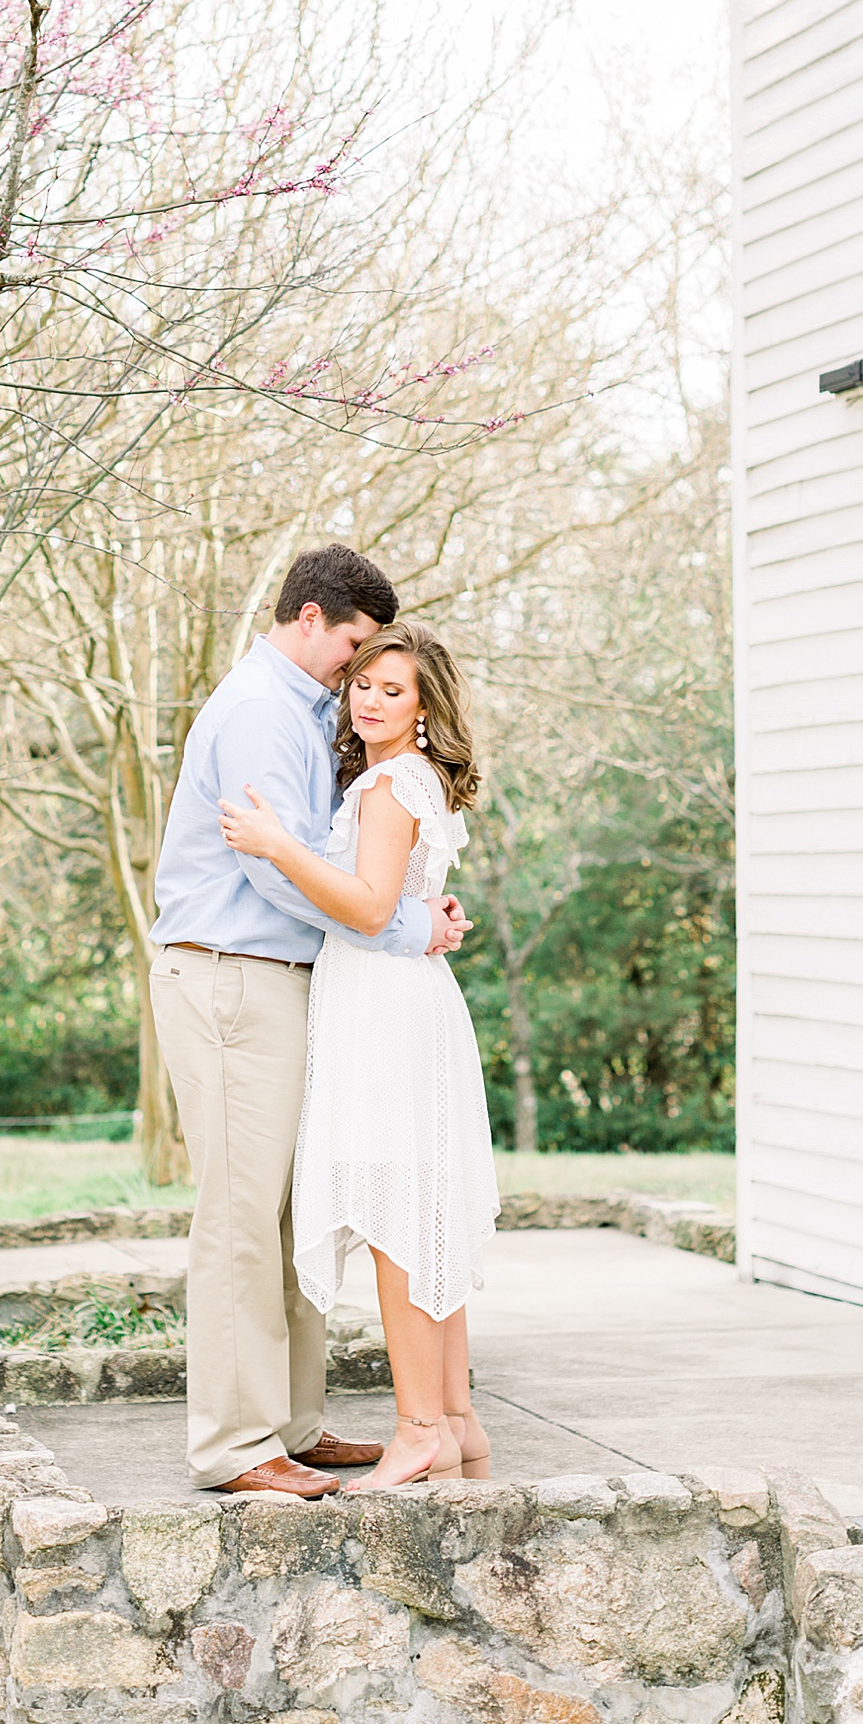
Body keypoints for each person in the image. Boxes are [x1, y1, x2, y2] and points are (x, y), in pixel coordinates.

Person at [149, 546, 468, 1499]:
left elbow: (345, 857)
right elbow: (267, 868)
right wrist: (402, 922)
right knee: (242, 1214)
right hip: (230, 976)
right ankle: (237, 1446)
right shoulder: (257, 712)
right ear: (312, 618)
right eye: (355, 650)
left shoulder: (303, 713)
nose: (356, 676)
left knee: (292, 1207)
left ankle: (289, 1423)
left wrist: (404, 907)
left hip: (289, 981)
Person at [219, 619, 498, 1489]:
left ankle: (416, 1430)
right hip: (405, 1003)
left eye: (393, 690)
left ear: (424, 711)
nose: (370, 700)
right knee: (423, 1212)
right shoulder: (411, 782)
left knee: (397, 1222)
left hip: (381, 1009)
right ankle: (454, 1421)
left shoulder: (388, 788)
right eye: (363, 684)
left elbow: (373, 909)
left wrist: (277, 846)